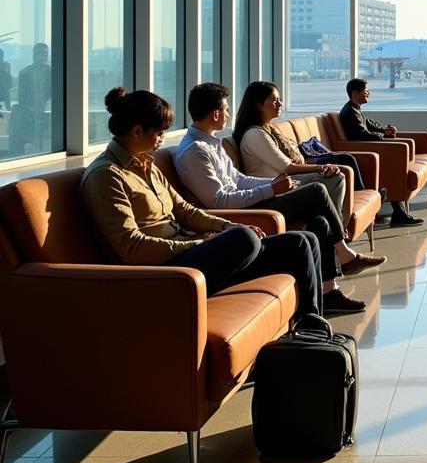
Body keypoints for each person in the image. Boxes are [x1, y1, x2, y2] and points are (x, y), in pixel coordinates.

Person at [80, 87, 324, 318]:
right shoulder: (107, 175)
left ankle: (312, 327)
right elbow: (131, 247)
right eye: (160, 132)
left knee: (303, 242)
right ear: (136, 131)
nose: (163, 140)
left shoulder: (146, 164)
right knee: (245, 239)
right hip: (167, 271)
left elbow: (184, 210)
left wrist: (224, 226)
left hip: (188, 251)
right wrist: (199, 244)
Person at [177, 82, 379, 313]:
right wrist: (271, 189)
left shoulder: (212, 144)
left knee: (320, 221)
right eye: (225, 110)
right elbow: (220, 201)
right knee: (317, 191)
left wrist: (273, 184)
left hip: (252, 199)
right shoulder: (195, 150)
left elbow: (239, 179)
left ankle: (329, 290)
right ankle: (343, 253)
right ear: (215, 114)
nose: (228, 114)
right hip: (245, 210)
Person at [339, 78, 424, 226]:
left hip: (368, 151)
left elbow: (369, 124)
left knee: (393, 170)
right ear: (355, 93)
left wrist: (384, 131)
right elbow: (361, 135)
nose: (369, 93)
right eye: (366, 91)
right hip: (364, 154)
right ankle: (399, 214)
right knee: (392, 171)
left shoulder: (355, 108)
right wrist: (382, 136)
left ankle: (399, 213)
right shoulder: (350, 112)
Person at [9, 41, 51, 155]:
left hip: (45, 112)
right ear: (34, 55)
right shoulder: (24, 73)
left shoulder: (52, 72)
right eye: (41, 53)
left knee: (43, 144)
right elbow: (22, 97)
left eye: (46, 54)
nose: (44, 56)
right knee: (29, 142)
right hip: (29, 114)